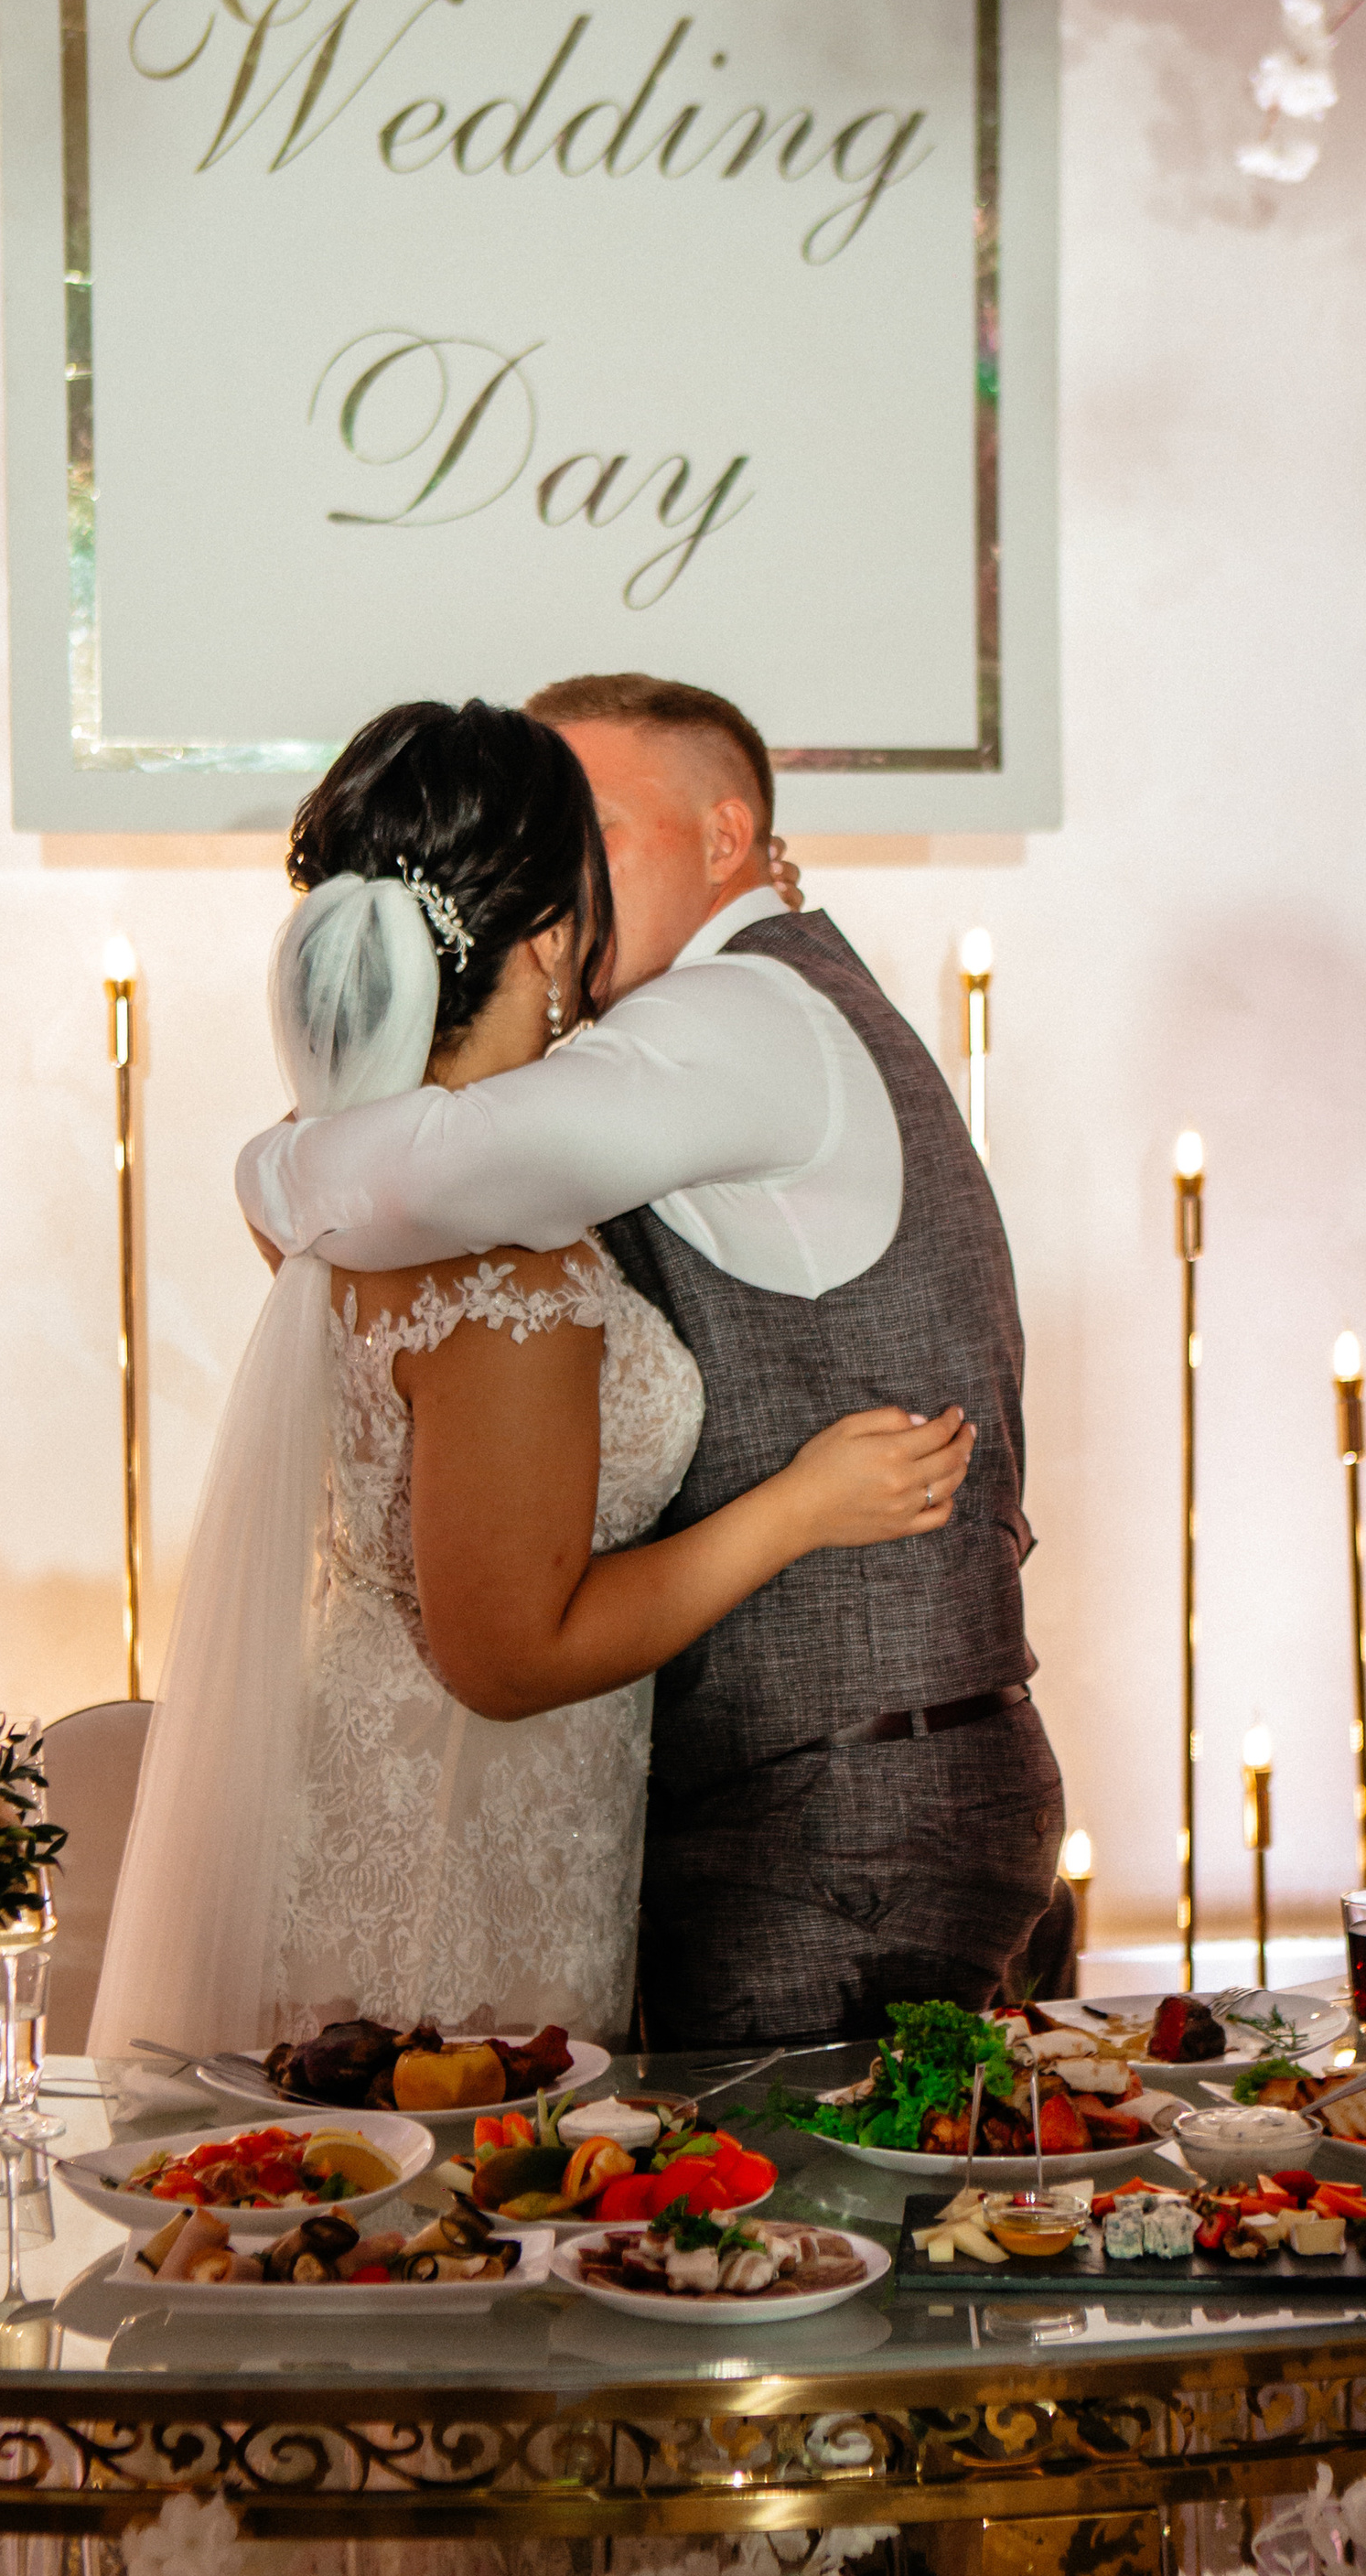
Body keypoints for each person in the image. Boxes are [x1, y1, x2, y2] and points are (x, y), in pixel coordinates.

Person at [89, 699, 970, 2063]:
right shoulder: (508, 1264)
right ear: (554, 937)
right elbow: (511, 1655)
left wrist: (270, 1160)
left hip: (395, 1782)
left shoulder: (341, 1196)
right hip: (468, 1831)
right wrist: (796, 1510)